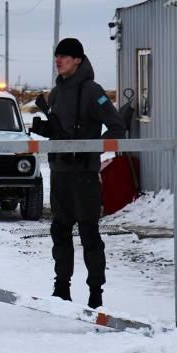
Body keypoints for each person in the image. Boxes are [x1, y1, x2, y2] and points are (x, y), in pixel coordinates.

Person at [33, 38, 125, 309]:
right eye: (57, 56)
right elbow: (61, 131)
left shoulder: (92, 90)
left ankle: (96, 293)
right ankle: (62, 289)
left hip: (84, 174)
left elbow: (117, 126)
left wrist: (92, 151)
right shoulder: (56, 92)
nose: (58, 60)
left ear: (78, 60)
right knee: (60, 231)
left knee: (88, 233)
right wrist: (45, 129)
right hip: (60, 172)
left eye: (64, 56)